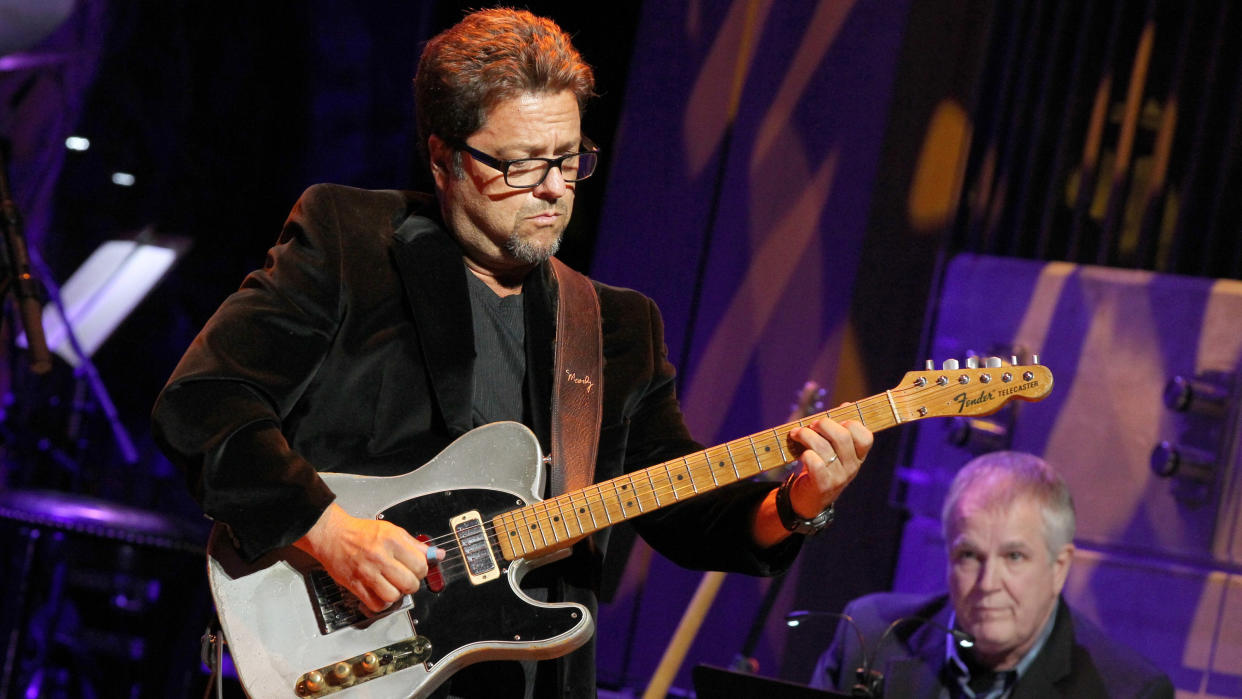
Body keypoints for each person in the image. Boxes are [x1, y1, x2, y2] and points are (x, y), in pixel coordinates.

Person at [151, 8, 873, 698]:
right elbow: (204, 402)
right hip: (344, 654)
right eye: (524, 164)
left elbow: (679, 506)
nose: (556, 188)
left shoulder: (616, 326)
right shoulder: (350, 241)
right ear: (444, 157)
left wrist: (797, 503)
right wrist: (331, 532)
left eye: (569, 158)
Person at [809, 451, 1173, 698]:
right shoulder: (868, 636)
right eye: (969, 556)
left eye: (1014, 556)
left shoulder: (1126, 690)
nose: (988, 584)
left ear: (1059, 567)